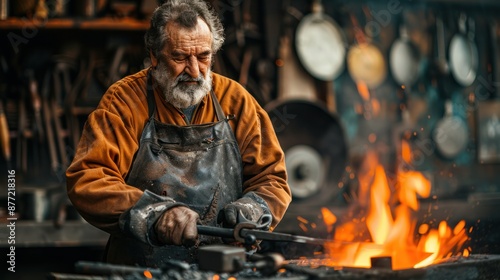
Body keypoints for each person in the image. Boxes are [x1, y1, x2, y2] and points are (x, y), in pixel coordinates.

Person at [66, 0, 291, 268]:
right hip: (143, 269)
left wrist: (253, 209)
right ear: (154, 56)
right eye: (180, 57)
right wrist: (154, 214)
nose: (194, 71)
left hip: (223, 269)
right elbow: (89, 179)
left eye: (204, 56)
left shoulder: (237, 102)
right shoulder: (124, 102)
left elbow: (272, 179)